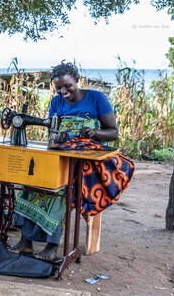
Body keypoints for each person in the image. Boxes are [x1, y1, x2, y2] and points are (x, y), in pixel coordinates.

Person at [9, 61, 119, 262]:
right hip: (61, 157)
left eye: (67, 85)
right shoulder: (56, 103)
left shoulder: (96, 98)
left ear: (77, 80)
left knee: (59, 192)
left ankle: (52, 246)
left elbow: (113, 132)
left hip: (86, 163)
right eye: (58, 88)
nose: (63, 91)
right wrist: (56, 137)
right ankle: (26, 242)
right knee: (29, 185)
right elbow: (52, 132)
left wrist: (95, 132)